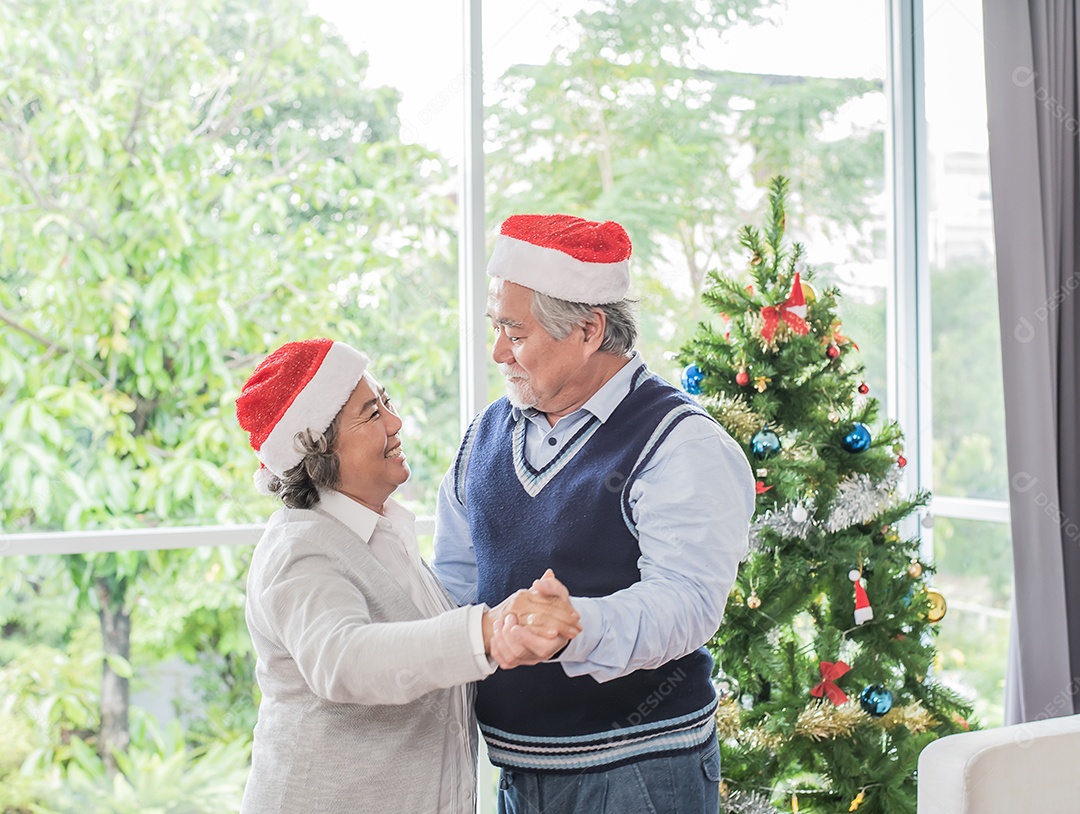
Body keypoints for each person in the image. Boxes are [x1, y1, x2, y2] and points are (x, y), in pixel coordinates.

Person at [433, 214, 756, 813]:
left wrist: (575, 625)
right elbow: (453, 586)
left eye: (515, 332)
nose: (498, 350)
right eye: (495, 326)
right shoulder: (483, 435)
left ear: (588, 330)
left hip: (640, 774)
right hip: (515, 772)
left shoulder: (681, 442)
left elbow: (687, 602)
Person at [234, 338, 581, 813]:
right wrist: (485, 630)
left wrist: (516, 629)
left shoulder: (383, 535)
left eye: (386, 403)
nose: (395, 423)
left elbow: (424, 657)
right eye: (371, 414)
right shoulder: (300, 548)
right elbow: (344, 659)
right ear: (318, 449)